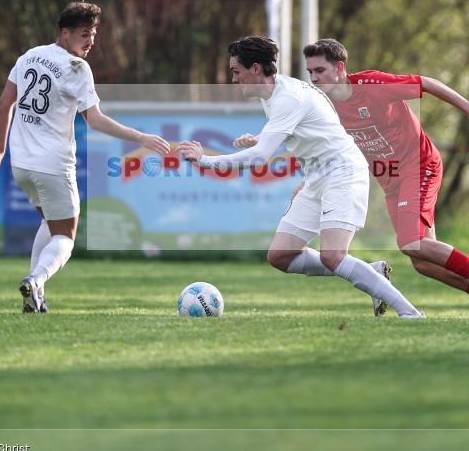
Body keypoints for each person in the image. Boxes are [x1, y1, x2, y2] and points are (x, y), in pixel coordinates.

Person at [178, 36, 423, 319]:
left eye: (236, 71)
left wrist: (205, 160)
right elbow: (310, 126)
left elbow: (259, 159)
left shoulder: (286, 98)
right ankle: (371, 273)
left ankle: (410, 313)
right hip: (318, 177)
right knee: (280, 256)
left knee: (333, 256)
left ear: (256, 69)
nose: (233, 79)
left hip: (343, 173)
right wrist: (261, 139)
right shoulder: (274, 94)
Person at [299, 38, 469, 319]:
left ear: (340, 68)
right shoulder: (325, 107)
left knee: (412, 243)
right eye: (310, 72)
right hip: (392, 178)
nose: (313, 78)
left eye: (319, 71)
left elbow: (426, 83)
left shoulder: (372, 86)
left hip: (419, 165)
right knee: (423, 262)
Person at [0, 1, 170, 313]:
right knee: (66, 236)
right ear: (65, 34)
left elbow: (4, 104)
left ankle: (34, 295)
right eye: (84, 34)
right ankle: (36, 281)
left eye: (93, 34)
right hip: (53, 165)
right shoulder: (77, 68)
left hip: (21, 166)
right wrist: (141, 137)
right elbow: (94, 120)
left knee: (49, 221)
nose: (90, 41)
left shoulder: (29, 56)